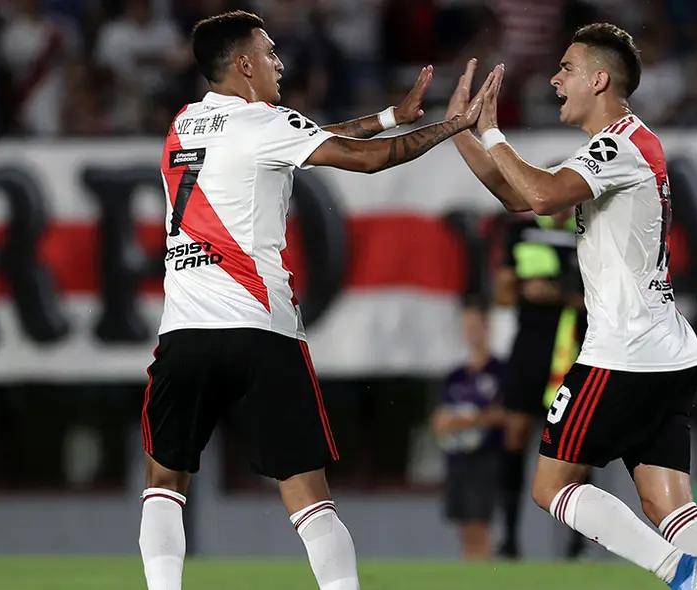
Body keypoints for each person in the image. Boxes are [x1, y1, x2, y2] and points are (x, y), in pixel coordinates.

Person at [139, 10, 500, 590]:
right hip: (261, 332)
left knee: (164, 479)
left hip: (184, 333)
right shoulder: (264, 122)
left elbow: (303, 138)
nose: (281, 63)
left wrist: (386, 117)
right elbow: (365, 159)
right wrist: (453, 125)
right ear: (245, 64)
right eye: (270, 52)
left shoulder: (183, 125)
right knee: (308, 497)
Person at [446, 23, 697, 590]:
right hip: (668, 352)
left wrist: (496, 132)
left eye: (567, 69)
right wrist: (464, 134)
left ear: (600, 79)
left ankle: (680, 572)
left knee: (550, 487)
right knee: (667, 502)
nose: (554, 79)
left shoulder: (616, 145)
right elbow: (518, 195)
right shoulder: (624, 146)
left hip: (623, 354)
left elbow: (542, 194)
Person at [494, 205, 591, 560]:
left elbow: (601, 298)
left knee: (575, 446)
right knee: (515, 437)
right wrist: (525, 290)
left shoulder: (587, 231)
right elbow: (502, 294)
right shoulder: (520, 231)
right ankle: (508, 537)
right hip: (531, 350)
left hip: (574, 351)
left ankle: (577, 543)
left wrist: (558, 295)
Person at [431, 301, 506, 560]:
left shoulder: (499, 371)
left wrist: (472, 420)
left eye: (476, 325)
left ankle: (485, 567)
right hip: (456, 458)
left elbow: (505, 414)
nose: (472, 332)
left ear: (487, 328)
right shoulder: (455, 375)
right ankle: (471, 572)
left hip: (485, 457)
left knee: (480, 521)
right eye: (467, 327)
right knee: (463, 525)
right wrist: (447, 422)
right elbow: (439, 417)